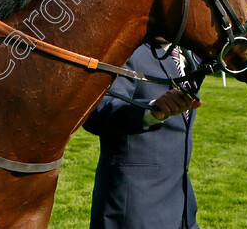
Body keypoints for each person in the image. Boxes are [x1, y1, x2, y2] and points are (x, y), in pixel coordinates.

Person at [83, 42, 203, 229]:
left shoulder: (187, 54)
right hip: (133, 211)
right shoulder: (126, 50)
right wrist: (152, 110)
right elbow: (97, 112)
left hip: (182, 210)